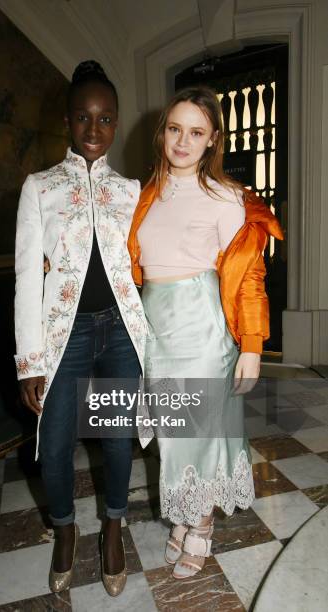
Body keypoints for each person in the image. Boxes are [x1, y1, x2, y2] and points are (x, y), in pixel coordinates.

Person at [128, 85, 283, 579]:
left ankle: (201, 524)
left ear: (213, 139)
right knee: (173, 435)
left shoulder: (226, 199)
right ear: (163, 132)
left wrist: (253, 347)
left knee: (201, 430)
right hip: (155, 328)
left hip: (201, 326)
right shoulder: (144, 195)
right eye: (175, 129)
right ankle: (183, 512)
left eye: (196, 132)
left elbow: (250, 278)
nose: (182, 140)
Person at [14, 60, 148, 596]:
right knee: (55, 440)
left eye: (106, 119)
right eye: (84, 118)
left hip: (119, 331)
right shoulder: (38, 187)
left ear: (116, 124)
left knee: (117, 442)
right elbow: (26, 275)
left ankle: (113, 527)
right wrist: (30, 358)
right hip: (61, 337)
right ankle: (65, 530)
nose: (95, 130)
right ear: (67, 121)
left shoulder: (131, 189)